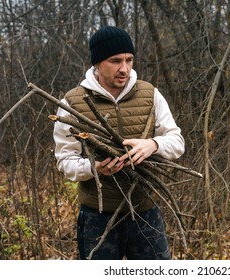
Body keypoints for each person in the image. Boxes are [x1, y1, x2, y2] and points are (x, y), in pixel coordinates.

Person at [52, 26, 185, 260]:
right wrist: (93, 169)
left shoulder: (150, 94)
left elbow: (177, 142)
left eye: (129, 60)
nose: (124, 68)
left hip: (145, 211)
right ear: (97, 63)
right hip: (98, 216)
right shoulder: (72, 102)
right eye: (115, 61)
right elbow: (65, 161)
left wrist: (153, 144)